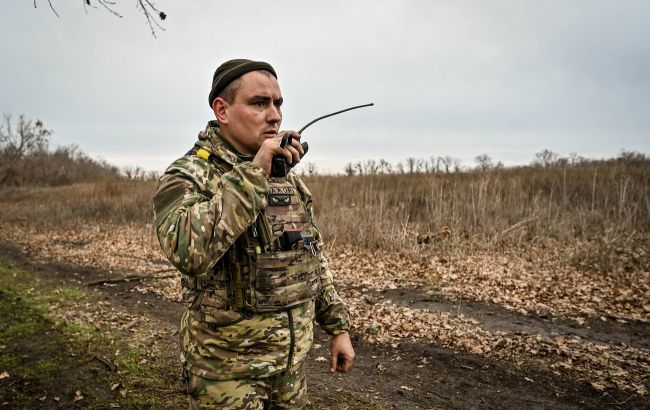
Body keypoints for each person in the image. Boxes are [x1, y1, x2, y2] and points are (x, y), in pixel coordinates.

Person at [153, 59, 354, 409]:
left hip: (290, 368)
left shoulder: (286, 177)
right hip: (226, 373)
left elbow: (311, 257)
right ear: (222, 110)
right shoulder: (189, 175)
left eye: (278, 103)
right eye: (259, 103)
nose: (274, 115)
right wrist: (254, 173)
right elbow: (188, 252)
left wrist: (337, 327)